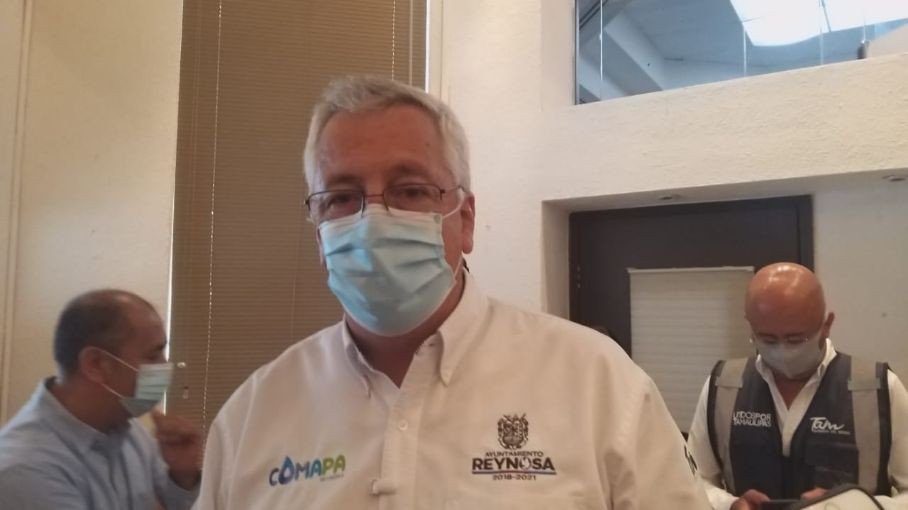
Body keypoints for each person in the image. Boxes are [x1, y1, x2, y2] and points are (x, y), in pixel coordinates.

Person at [194, 76, 709, 509]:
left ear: (465, 220)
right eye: (342, 197)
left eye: (410, 190)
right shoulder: (251, 419)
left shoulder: (598, 384)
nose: (373, 220)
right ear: (318, 232)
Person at [686, 263, 908, 510]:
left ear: (826, 325)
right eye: (768, 339)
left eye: (796, 339)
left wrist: (852, 507)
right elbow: (693, 481)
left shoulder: (877, 390)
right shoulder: (724, 387)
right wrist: (730, 504)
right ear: (751, 327)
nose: (783, 351)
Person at [0, 289, 201, 509]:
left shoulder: (128, 429)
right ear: (95, 364)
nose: (165, 366)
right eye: (153, 356)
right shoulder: (26, 468)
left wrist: (182, 476)